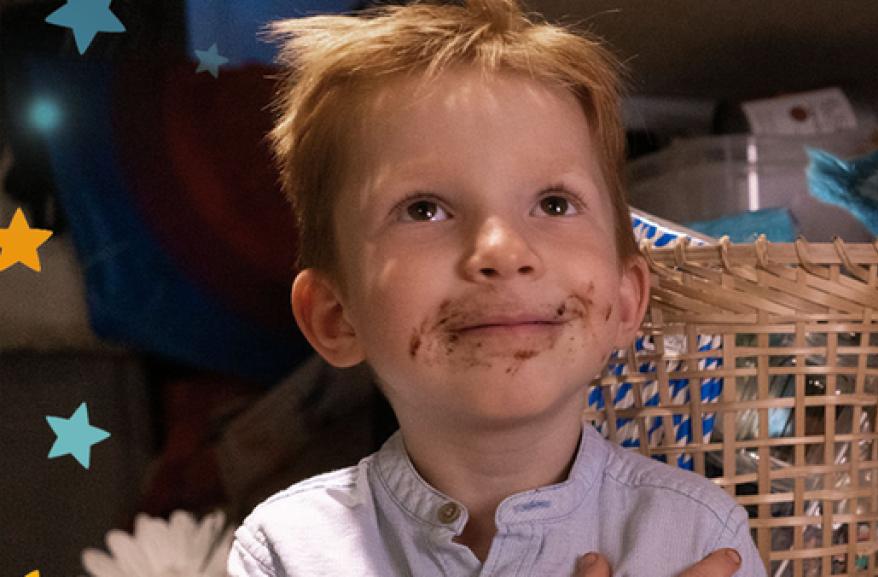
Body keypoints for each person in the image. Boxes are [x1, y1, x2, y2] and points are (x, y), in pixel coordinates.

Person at [227, 1, 765, 576]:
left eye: (554, 203)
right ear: (336, 316)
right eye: (424, 210)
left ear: (628, 299)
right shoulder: (287, 551)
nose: (503, 252)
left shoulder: (698, 536)